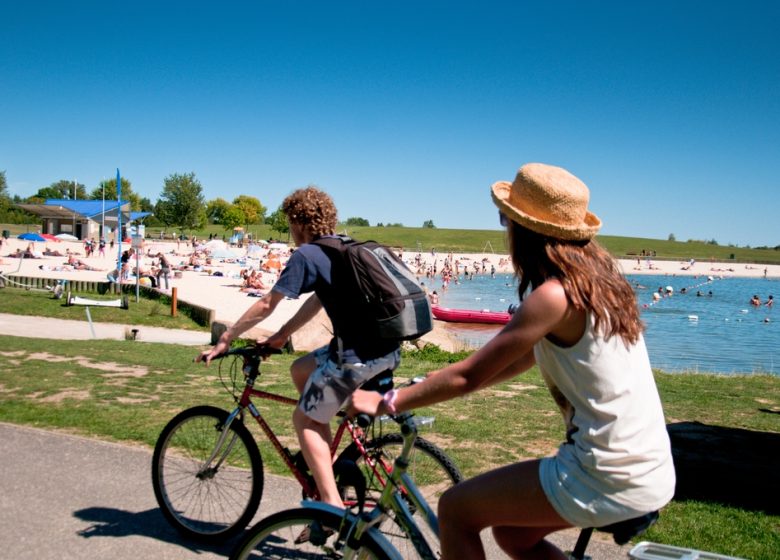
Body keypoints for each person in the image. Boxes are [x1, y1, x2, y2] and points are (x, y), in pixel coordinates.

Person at [351, 163, 676, 559]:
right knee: (512, 536)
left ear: (525, 230)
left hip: (605, 471)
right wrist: (439, 378)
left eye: (505, 218)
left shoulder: (553, 296)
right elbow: (520, 361)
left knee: (455, 510)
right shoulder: (602, 287)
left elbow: (469, 377)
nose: (504, 228)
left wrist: (387, 401)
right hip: (648, 468)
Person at [197, 186, 401, 509]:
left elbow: (267, 303)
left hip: (353, 358)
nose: (290, 231)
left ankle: (331, 507)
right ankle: (327, 455)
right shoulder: (341, 247)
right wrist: (281, 336)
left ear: (299, 222)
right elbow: (318, 300)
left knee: (304, 420)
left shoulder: (307, 254)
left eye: (290, 224)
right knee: (300, 370)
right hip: (386, 351)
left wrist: (227, 337)